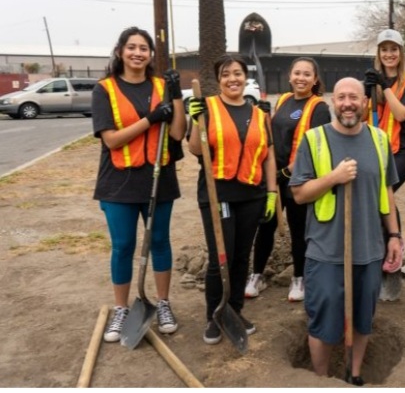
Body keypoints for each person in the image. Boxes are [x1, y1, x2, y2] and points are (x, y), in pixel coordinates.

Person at [290, 77, 402, 386]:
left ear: (365, 102)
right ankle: (322, 380)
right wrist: (334, 177)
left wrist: (394, 236)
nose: (347, 103)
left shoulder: (379, 140)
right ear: (332, 102)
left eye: (354, 97)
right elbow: (299, 194)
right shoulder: (314, 140)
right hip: (326, 251)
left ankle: (354, 375)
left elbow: (387, 192)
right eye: (341, 97)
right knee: (324, 323)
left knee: (363, 320)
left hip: (368, 249)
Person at [92, 26, 186, 343]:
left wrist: (177, 99)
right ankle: (121, 309)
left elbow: (176, 134)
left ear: (150, 55)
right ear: (120, 52)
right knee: (123, 247)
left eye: (143, 48)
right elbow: (112, 140)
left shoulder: (162, 86)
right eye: (131, 47)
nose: (137, 53)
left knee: (160, 242)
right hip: (119, 183)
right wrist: (150, 118)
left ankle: (162, 304)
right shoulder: (104, 89)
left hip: (159, 180)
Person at [186, 55, 277, 345]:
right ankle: (215, 315)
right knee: (220, 259)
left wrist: (272, 192)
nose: (232, 79)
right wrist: (194, 119)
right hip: (218, 194)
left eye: (237, 73)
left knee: (240, 258)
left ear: (245, 77)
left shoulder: (260, 114)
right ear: (219, 79)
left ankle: (234, 311)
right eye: (226, 74)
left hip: (251, 194)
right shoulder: (208, 108)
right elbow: (195, 150)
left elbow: (269, 156)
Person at [245, 57, 331, 302]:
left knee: (298, 228)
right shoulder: (283, 99)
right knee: (266, 224)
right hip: (275, 176)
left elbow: (314, 147)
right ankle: (257, 275)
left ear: (315, 80)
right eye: (297, 73)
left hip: (300, 178)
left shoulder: (319, 108)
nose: (301, 78)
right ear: (290, 76)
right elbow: (272, 137)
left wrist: (288, 172)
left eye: (307, 74)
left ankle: (299, 279)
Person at [363, 29, 405, 301]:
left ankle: (394, 248)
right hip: (375, 151)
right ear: (378, 53)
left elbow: (400, 113)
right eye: (384, 49)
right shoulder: (372, 82)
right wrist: (367, 93)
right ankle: (390, 247)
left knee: (380, 196)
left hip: (401, 154)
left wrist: (385, 86)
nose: (389, 54)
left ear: (401, 53)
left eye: (394, 49)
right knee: (380, 200)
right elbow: (362, 116)